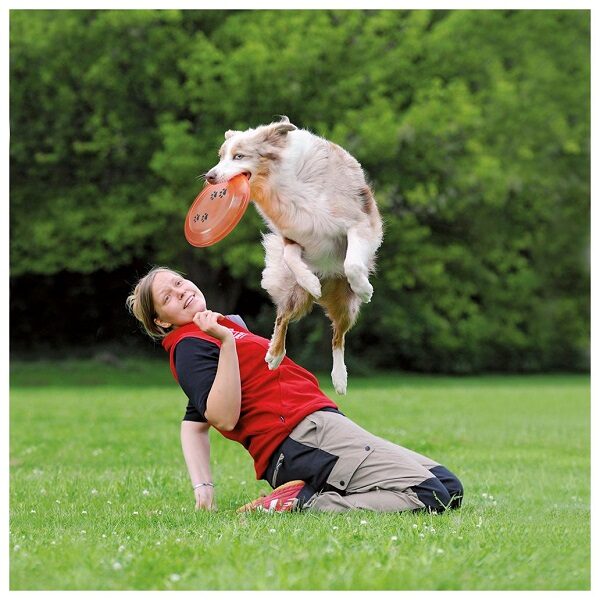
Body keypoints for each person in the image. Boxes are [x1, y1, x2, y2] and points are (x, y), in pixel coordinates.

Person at [126, 266, 464, 513]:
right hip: (299, 436)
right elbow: (221, 417)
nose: (181, 291)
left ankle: (305, 497)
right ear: (162, 321)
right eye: (167, 297)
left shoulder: (217, 328)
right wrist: (226, 341)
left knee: (448, 487)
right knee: (428, 494)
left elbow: (194, 417)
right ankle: (303, 503)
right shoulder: (188, 344)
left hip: (319, 424)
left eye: (179, 282)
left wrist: (204, 488)